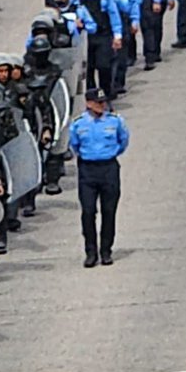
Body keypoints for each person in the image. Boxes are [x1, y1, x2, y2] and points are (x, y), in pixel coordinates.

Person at [68, 88, 129, 268]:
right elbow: (75, 145)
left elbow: (123, 142)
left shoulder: (115, 121)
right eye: (98, 102)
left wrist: (109, 154)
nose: (102, 105)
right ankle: (90, 251)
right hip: (88, 169)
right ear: (88, 104)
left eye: (103, 102)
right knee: (88, 211)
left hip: (108, 167)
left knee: (109, 211)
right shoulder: (79, 124)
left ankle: (106, 250)